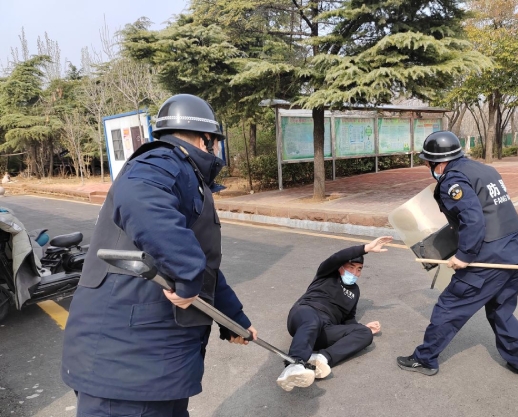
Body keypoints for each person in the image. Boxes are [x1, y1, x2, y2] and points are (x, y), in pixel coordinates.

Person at [61, 94, 257, 417]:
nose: (221, 151)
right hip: (126, 373)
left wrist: (235, 321)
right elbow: (137, 196)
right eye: (218, 142)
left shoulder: (186, 176)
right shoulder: (165, 161)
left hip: (151, 371)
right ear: (204, 139)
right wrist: (186, 273)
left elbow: (203, 268)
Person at [396, 131, 518, 383]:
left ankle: (425, 358)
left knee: (449, 307)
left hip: (487, 261)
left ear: (438, 162)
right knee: (501, 312)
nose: (427, 167)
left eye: (427, 163)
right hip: (516, 253)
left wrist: (464, 256)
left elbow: (473, 220)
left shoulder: (453, 180)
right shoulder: (484, 170)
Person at [277, 236, 393, 391]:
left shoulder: (355, 292)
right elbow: (337, 257)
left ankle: (319, 359)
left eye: (359, 269)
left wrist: (362, 327)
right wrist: (365, 248)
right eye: (351, 267)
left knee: (365, 334)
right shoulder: (327, 274)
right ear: (340, 267)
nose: (355, 272)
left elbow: (348, 319)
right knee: (312, 321)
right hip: (305, 314)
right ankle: (294, 364)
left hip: (325, 329)